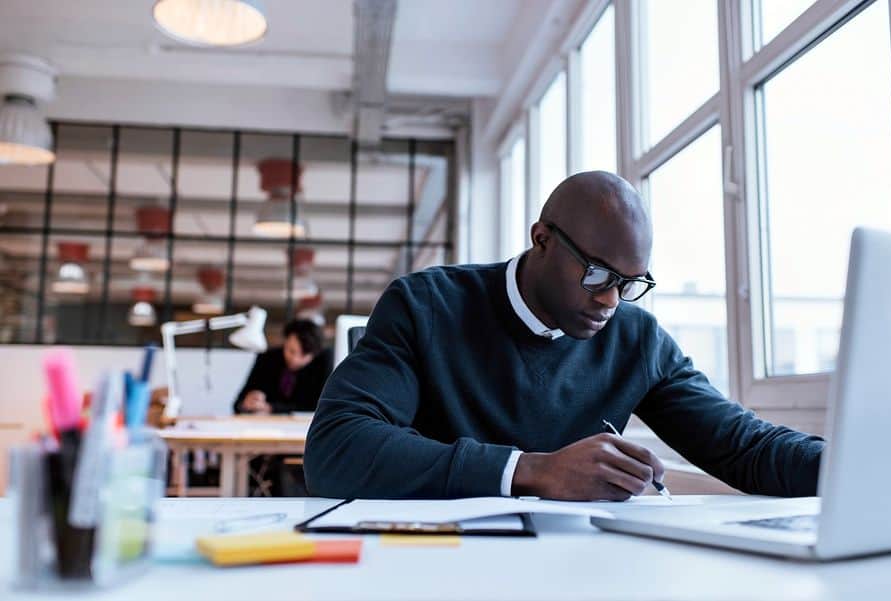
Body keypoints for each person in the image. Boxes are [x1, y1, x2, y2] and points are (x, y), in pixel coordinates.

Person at [304, 171, 825, 500]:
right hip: (435, 562)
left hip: (575, 572)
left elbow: (747, 448)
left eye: (629, 283)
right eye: (597, 274)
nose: (610, 301)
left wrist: (864, 466)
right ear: (542, 240)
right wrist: (531, 471)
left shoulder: (635, 339)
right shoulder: (426, 306)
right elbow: (336, 449)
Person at [233, 318, 333, 415]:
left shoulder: (324, 361)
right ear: (285, 342)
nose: (295, 359)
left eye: (304, 355)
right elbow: (237, 405)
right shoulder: (267, 359)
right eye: (291, 351)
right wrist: (246, 404)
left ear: (315, 353)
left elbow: (320, 407)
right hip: (266, 427)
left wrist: (271, 408)